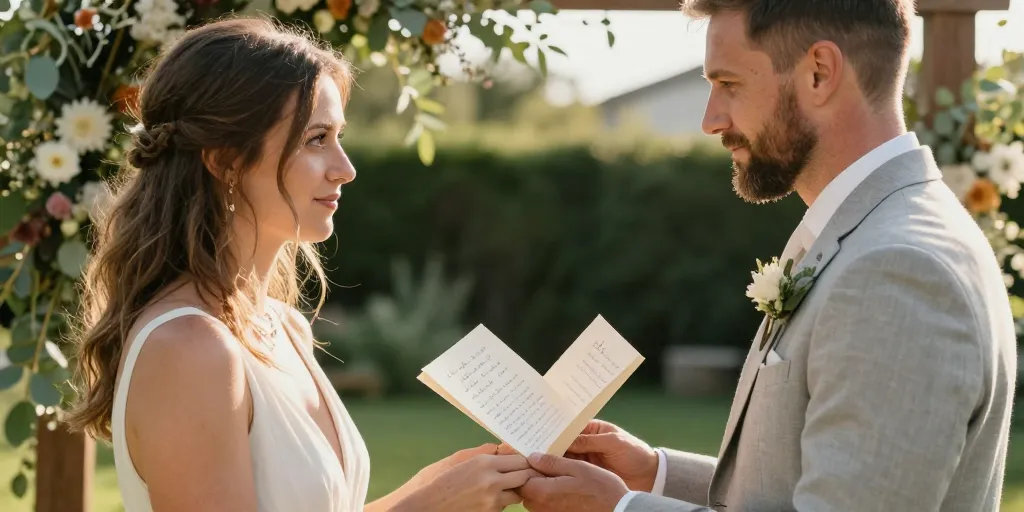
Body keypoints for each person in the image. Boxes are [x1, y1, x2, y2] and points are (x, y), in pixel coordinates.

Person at [516, 0, 1018, 511]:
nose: (711, 120)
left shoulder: (897, 270)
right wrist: (656, 475)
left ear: (819, 73)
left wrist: (621, 510)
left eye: (729, 84)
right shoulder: (870, 234)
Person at [66, 17, 534, 512]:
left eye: (339, 136)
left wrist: (432, 487)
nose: (346, 168)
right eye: (316, 139)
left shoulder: (284, 325)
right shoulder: (190, 349)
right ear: (225, 161)